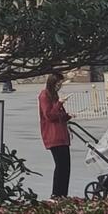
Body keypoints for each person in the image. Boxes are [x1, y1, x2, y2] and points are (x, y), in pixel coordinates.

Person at [39, 70, 72, 198]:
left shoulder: (54, 95)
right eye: (58, 83)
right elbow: (49, 115)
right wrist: (60, 103)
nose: (60, 86)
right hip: (53, 136)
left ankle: (63, 193)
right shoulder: (44, 95)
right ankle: (56, 194)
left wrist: (67, 116)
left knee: (65, 167)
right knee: (60, 165)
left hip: (62, 135)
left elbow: (58, 114)